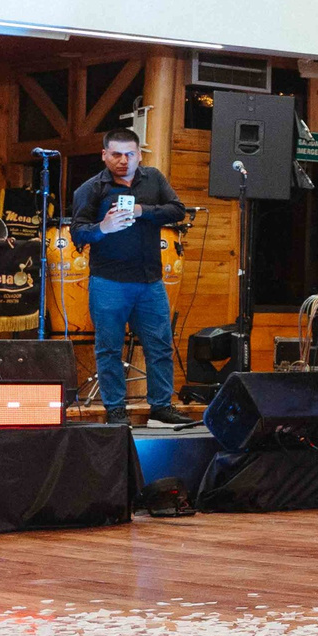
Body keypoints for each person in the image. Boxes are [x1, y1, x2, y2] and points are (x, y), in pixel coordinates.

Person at [69, 128, 188, 426]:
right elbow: (78, 232)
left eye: (130, 154)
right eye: (117, 154)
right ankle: (115, 408)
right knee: (109, 347)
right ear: (104, 155)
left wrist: (141, 210)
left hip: (150, 281)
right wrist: (102, 229)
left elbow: (178, 210)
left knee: (159, 345)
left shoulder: (154, 179)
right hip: (108, 281)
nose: (124, 160)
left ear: (139, 154)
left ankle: (161, 406)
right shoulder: (91, 189)